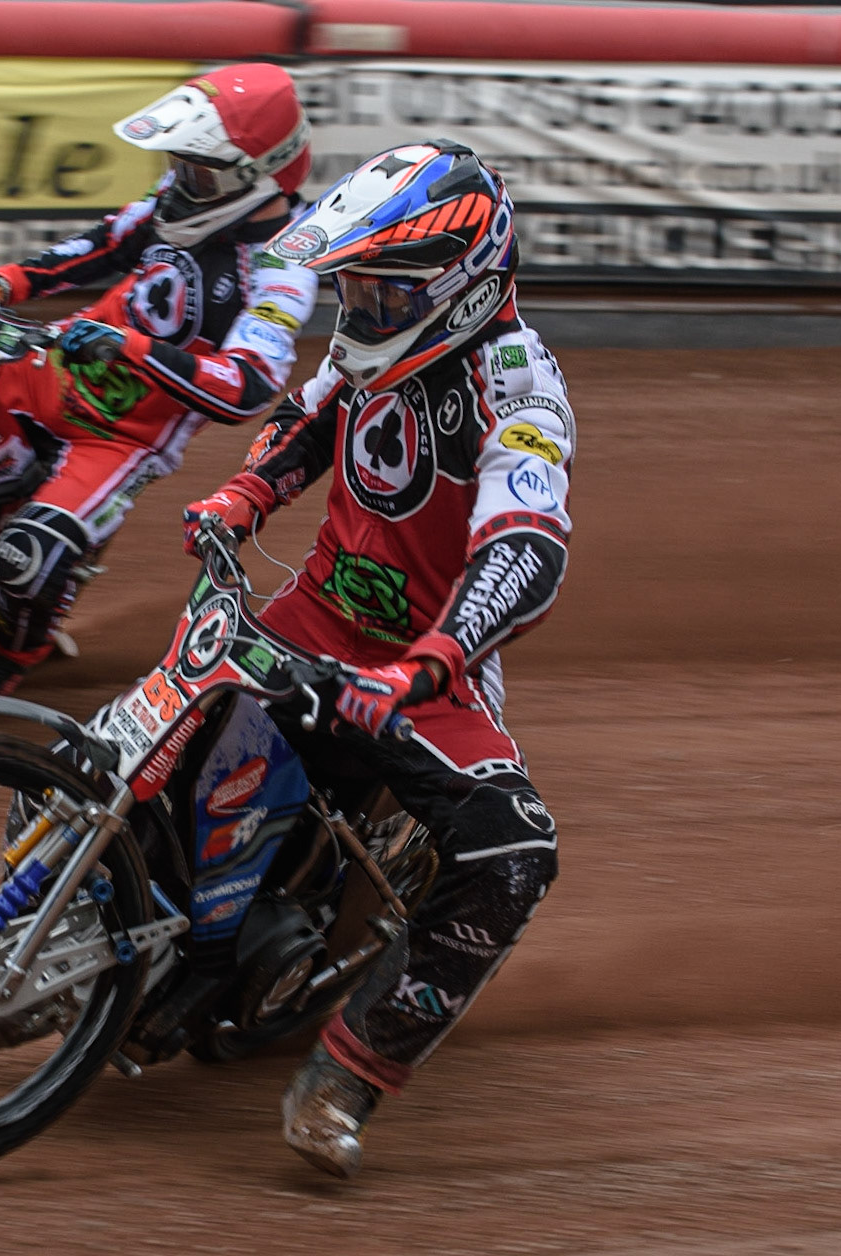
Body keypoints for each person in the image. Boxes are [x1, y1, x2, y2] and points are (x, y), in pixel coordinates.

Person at [180, 141, 575, 1178]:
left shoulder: (521, 385)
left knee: (515, 857)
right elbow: (313, 412)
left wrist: (434, 662)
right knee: (162, 741)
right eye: (348, 287)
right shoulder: (368, 346)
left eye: (379, 293)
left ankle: (345, 1075)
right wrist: (243, 495)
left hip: (423, 668)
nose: (355, 312)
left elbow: (525, 546)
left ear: (457, 285)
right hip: (313, 616)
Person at [0, 63, 318, 696]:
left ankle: (12, 652)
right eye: (178, 163)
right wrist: (10, 279)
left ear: (252, 176)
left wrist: (132, 348)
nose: (179, 180)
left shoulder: (284, 263)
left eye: (196, 169)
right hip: (47, 373)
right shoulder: (171, 204)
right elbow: (97, 245)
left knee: (25, 560)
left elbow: (248, 384)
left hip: (123, 436)